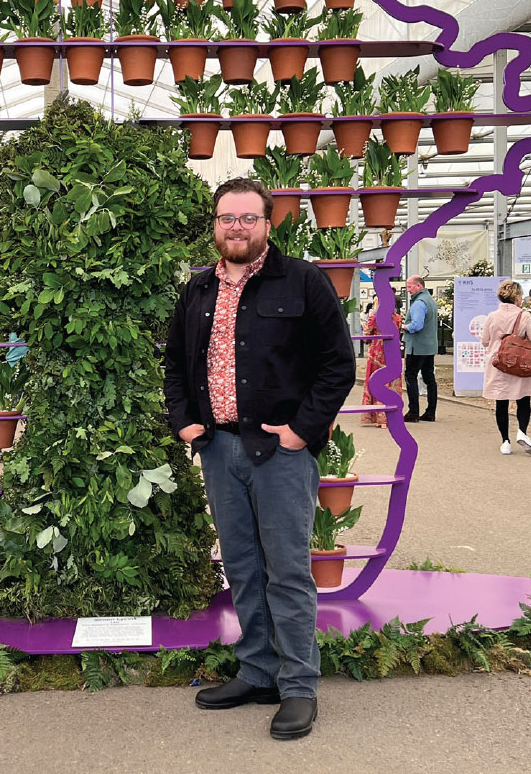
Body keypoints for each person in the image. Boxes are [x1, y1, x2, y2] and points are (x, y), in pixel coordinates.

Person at [164, 177, 355, 741]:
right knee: (243, 566)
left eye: (248, 217)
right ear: (216, 224)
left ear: (269, 223)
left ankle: (299, 687)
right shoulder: (198, 291)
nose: (237, 227)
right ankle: (258, 671)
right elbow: (175, 364)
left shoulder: (303, 281)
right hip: (220, 449)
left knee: (288, 571)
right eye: (227, 217)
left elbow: (337, 365)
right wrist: (185, 421)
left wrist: (302, 431)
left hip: (279, 452)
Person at [481, 280, 531, 455]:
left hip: (499, 364)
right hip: (520, 364)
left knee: (501, 403)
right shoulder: (524, 316)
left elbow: (485, 341)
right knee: (523, 400)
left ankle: (505, 441)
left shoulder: (491, 316)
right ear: (517, 296)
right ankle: (522, 431)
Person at [361, 294, 402, 428]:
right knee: (390, 384)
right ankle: (391, 417)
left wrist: (364, 329)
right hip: (392, 353)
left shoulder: (374, 318)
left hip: (377, 353)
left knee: (376, 383)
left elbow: (366, 337)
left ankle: (380, 418)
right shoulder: (397, 318)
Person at [402, 276, 438, 423]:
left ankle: (413, 412)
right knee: (429, 378)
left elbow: (416, 325)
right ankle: (430, 412)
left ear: (418, 286)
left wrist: (403, 326)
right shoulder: (430, 301)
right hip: (429, 346)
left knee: (410, 376)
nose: (408, 290)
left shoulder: (418, 303)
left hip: (416, 347)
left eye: (410, 287)